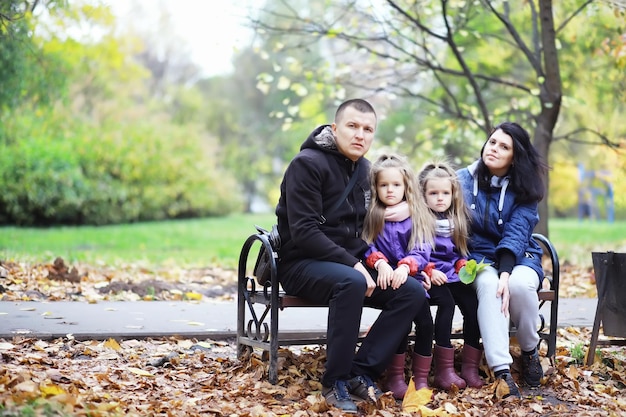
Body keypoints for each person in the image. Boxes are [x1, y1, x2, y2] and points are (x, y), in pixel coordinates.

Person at [275, 99, 428, 413]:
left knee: (411, 292)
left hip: (346, 263)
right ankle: (336, 380)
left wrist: (380, 263)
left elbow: (358, 234)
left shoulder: (364, 170)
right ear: (334, 129)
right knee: (351, 282)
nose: (360, 134)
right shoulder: (307, 164)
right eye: (352, 126)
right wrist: (355, 265)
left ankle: (362, 371)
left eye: (368, 129)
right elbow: (304, 232)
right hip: (300, 263)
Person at [457, 121, 548, 398]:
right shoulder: (461, 180)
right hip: (479, 256)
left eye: (504, 146)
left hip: (520, 254)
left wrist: (507, 273)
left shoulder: (525, 187)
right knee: (490, 286)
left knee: (519, 286)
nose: (494, 149)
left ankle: (530, 350)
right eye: (492, 142)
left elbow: (518, 230)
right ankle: (502, 372)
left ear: (515, 156)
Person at [361, 153, 436, 399]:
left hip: (410, 277)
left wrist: (406, 267)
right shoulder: (373, 215)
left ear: (406, 186)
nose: (390, 190)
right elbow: (365, 246)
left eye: (396, 185)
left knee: (425, 323)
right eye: (384, 185)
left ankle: (421, 377)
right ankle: (395, 377)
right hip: (385, 278)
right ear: (376, 188)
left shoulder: (416, 215)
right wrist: (381, 263)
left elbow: (422, 247)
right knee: (400, 325)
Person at [416, 160, 484, 391]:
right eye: (433, 193)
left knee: (472, 304)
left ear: (454, 194)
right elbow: (413, 252)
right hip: (429, 275)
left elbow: (458, 252)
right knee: (446, 304)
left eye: (445, 192)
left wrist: (462, 265)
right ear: (423, 195)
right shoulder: (420, 221)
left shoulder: (456, 221)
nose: (440, 198)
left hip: (452, 275)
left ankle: (469, 367)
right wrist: (429, 270)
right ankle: (444, 369)